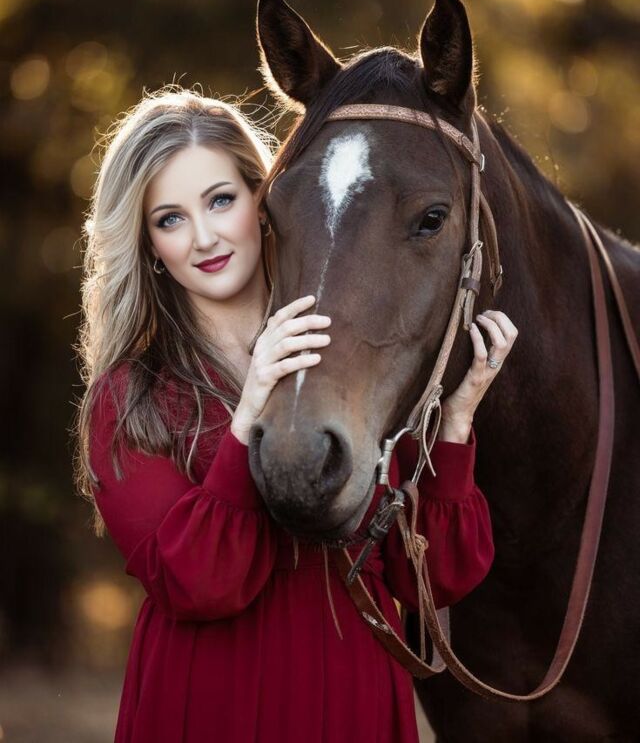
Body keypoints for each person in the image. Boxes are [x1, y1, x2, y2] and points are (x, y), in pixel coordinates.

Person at [73, 86, 517, 743]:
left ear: (263, 200)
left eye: (220, 200)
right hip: (210, 707)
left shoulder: (347, 362)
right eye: (170, 219)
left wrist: (455, 424)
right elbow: (198, 583)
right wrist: (250, 407)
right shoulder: (129, 397)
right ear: (147, 244)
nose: (204, 237)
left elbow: (431, 577)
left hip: (353, 695)